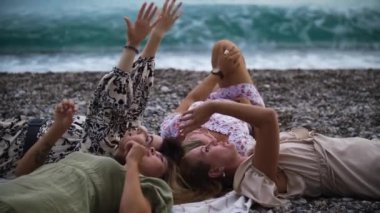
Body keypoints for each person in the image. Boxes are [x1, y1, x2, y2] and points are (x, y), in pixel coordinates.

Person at [0, 0, 182, 179]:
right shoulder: (121, 137)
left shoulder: (102, 153)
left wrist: (132, 46)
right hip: (15, 127)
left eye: (148, 141)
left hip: (10, 152)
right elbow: (139, 91)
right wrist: (157, 35)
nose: (140, 129)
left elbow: (109, 102)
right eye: (148, 131)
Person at [175, 94, 380, 206]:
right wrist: (213, 106)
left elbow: (259, 121)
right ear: (215, 171)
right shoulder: (253, 177)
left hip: (360, 149)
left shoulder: (251, 152)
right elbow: (268, 118)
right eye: (206, 150)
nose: (211, 142)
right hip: (364, 168)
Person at [0, 98, 179, 212]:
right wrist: (58, 129)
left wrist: (133, 164)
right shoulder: (96, 157)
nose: (152, 150)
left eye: (160, 157)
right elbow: (22, 172)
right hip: (12, 192)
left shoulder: (152, 186)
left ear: (163, 178)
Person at [157, 39, 265, 156]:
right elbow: (262, 131)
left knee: (222, 49)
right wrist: (246, 107)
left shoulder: (173, 130)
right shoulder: (236, 145)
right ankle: (235, 76)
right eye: (208, 137)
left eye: (197, 131)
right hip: (245, 104)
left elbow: (191, 100)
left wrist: (218, 71)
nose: (204, 130)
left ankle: (228, 77)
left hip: (213, 97)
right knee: (228, 49)